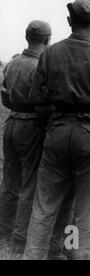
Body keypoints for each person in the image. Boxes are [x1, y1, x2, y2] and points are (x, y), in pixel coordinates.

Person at [23, 0, 90, 260]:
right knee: (85, 208)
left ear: (69, 21)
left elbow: (36, 98)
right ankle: (80, 254)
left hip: (56, 132)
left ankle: (32, 255)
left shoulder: (49, 54)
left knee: (44, 205)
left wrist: (58, 112)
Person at [0, 21, 51, 254]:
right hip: (31, 126)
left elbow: (5, 96)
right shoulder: (40, 66)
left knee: (10, 179)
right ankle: (20, 237)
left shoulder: (12, 64)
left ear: (26, 36)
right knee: (29, 182)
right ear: (48, 40)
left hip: (11, 123)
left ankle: (3, 228)